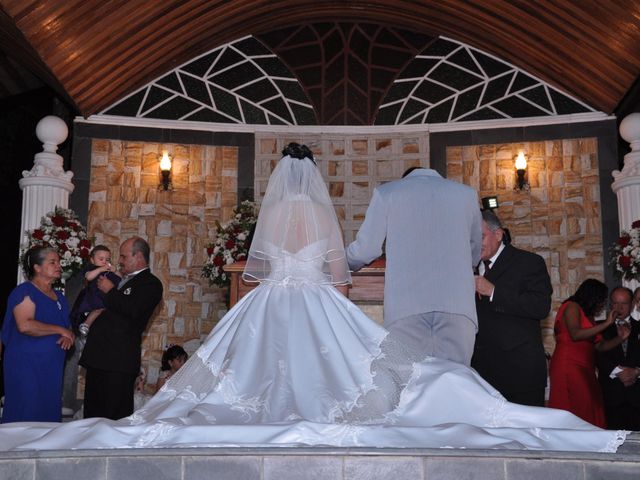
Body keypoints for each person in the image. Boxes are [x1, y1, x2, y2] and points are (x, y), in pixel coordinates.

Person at [0, 145, 628, 452]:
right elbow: (339, 267)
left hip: (274, 298)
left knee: (247, 365)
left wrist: (302, 276)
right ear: (315, 181)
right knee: (355, 362)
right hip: (338, 297)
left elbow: (265, 267)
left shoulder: (279, 213)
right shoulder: (449, 199)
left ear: (277, 180)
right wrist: (334, 284)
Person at [345, 166, 482, 366]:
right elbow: (474, 251)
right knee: (456, 384)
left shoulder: (387, 193)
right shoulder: (466, 194)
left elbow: (365, 251)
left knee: (408, 386)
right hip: (457, 307)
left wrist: (337, 261)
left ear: (405, 178)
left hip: (406, 307)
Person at [471, 210, 552, 406]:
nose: (474, 244)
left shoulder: (529, 262)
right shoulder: (468, 267)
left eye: (480, 237)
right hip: (479, 375)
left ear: (498, 235)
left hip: (520, 374)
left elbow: (540, 306)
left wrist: (494, 292)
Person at [79, 236, 163, 420]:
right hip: (98, 358)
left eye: (124, 257)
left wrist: (110, 290)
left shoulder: (150, 283)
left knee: (113, 418)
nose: (119, 261)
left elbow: (133, 310)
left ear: (138, 256)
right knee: (92, 415)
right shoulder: (119, 278)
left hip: (118, 361)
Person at [1, 246, 75, 423]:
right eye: (52, 262)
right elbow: (25, 325)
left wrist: (68, 335)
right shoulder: (25, 291)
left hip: (51, 368)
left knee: (46, 413)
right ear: (37, 267)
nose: (59, 266)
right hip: (26, 366)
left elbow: (68, 327)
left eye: (59, 262)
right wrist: (60, 330)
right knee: (26, 411)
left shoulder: (60, 297)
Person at [548, 279, 629, 427]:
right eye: (602, 300)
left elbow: (600, 346)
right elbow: (575, 334)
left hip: (585, 368)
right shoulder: (571, 307)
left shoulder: (589, 316)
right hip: (569, 365)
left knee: (590, 405)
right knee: (573, 407)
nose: (602, 304)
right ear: (592, 296)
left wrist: (620, 338)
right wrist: (606, 324)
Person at [596, 286, 640, 430]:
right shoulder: (599, 327)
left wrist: (636, 372)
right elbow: (595, 354)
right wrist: (617, 372)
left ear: (633, 304)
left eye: (624, 304)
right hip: (611, 394)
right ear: (610, 304)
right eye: (615, 303)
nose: (619, 308)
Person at [70, 245, 121, 337]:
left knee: (103, 311)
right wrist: (101, 269)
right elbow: (88, 277)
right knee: (97, 309)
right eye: (101, 259)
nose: (104, 262)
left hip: (105, 295)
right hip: (94, 295)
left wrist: (116, 271)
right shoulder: (92, 268)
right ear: (92, 260)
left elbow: (120, 279)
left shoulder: (109, 270)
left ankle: (90, 325)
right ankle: (86, 324)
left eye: (107, 259)